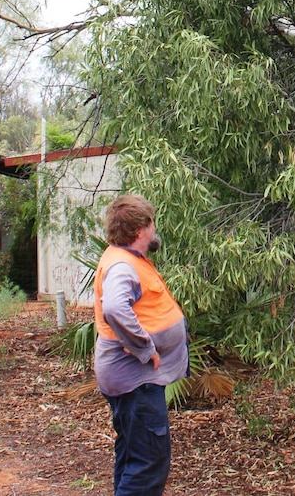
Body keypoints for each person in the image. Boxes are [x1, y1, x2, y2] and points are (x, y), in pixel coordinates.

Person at [93, 194, 189, 496]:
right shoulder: (122, 266)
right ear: (140, 230)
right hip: (137, 380)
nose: (154, 227)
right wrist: (144, 348)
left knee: (133, 455)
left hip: (132, 381)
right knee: (148, 463)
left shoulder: (125, 257)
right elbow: (115, 308)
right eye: (151, 222)